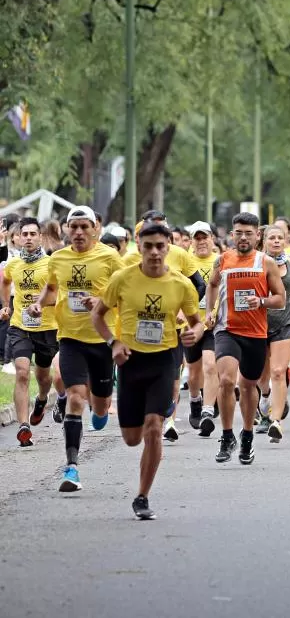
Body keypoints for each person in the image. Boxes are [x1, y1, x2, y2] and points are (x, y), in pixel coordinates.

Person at [91, 223, 204, 519]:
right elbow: (97, 315)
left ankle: (142, 496)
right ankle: (140, 421)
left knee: (154, 426)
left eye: (160, 246)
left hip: (164, 359)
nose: (154, 252)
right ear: (138, 247)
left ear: (169, 248)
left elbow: (197, 321)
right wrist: (113, 342)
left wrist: (195, 332)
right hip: (130, 361)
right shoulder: (123, 278)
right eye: (148, 246)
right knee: (131, 438)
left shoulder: (181, 284)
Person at [30, 206, 123, 491]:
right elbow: (51, 288)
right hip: (70, 338)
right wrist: (38, 303)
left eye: (85, 227)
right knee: (74, 397)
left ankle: (102, 408)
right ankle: (71, 468)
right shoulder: (57, 258)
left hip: (102, 340)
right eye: (74, 227)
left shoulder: (110, 257)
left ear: (95, 228)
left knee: (100, 403)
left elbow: (125, 293)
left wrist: (102, 302)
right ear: (66, 229)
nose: (79, 232)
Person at [205, 212, 285, 465]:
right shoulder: (222, 260)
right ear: (231, 234)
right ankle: (227, 435)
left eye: (248, 233)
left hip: (255, 333)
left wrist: (260, 301)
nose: (243, 237)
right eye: (238, 232)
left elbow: (280, 299)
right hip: (226, 330)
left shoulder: (266, 263)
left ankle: (247, 434)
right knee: (227, 380)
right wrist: (209, 310)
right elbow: (212, 284)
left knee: (248, 386)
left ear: (257, 236)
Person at [0, 217, 57, 446]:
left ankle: (42, 399)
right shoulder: (13, 264)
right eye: (25, 234)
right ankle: (24, 426)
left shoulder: (51, 264)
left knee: (43, 377)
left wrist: (43, 302)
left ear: (40, 237)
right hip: (20, 325)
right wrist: (5, 304)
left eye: (33, 234)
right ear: (19, 237)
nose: (29, 238)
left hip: (46, 327)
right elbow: (4, 281)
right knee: (22, 372)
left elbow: (58, 294)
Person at [255, 225, 290, 441]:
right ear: (264, 241)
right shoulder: (256, 263)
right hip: (258, 324)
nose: (276, 241)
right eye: (272, 238)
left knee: (278, 371)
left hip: (285, 323)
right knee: (261, 375)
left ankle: (276, 421)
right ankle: (266, 396)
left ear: (285, 241)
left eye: (280, 238)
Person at [185, 221, 220, 434]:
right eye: (197, 238)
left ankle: (207, 411)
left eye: (204, 237)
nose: (201, 242)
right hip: (191, 323)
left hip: (214, 324)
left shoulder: (220, 261)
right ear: (191, 242)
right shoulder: (185, 262)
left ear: (212, 239)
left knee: (210, 365)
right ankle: (195, 401)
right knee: (194, 372)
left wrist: (216, 314)